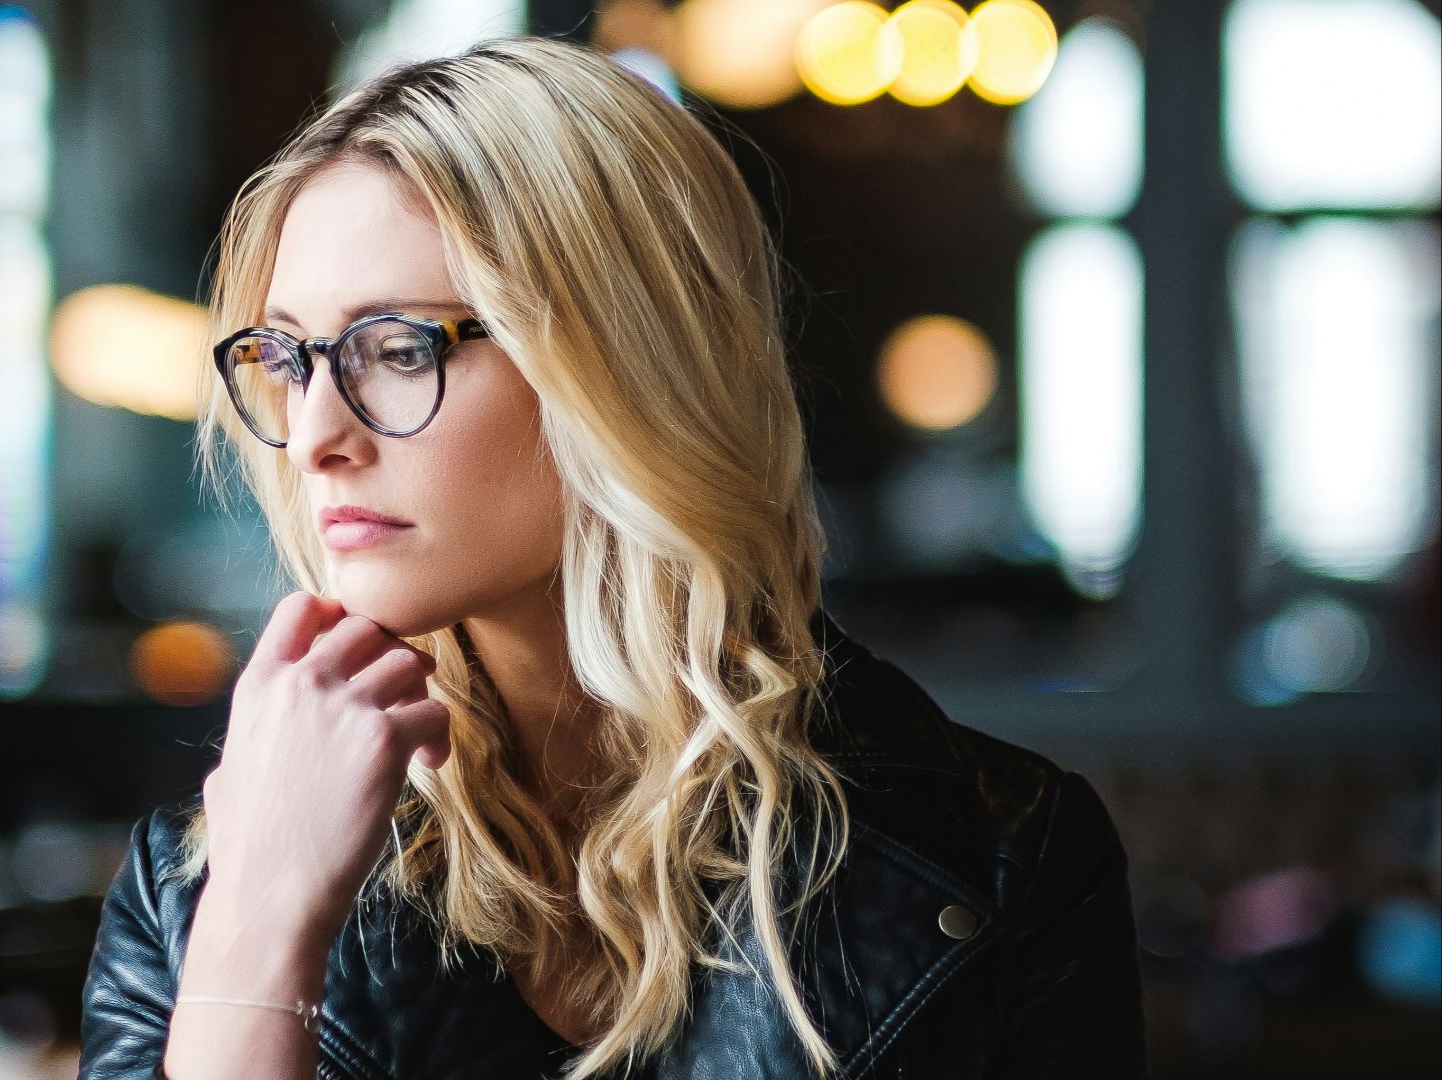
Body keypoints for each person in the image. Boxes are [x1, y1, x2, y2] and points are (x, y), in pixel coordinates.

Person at [79, 35, 1146, 1080]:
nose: (316, 435)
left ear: (622, 367)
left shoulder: (1002, 857)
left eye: (397, 350)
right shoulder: (199, 886)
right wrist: (261, 930)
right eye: (287, 356)